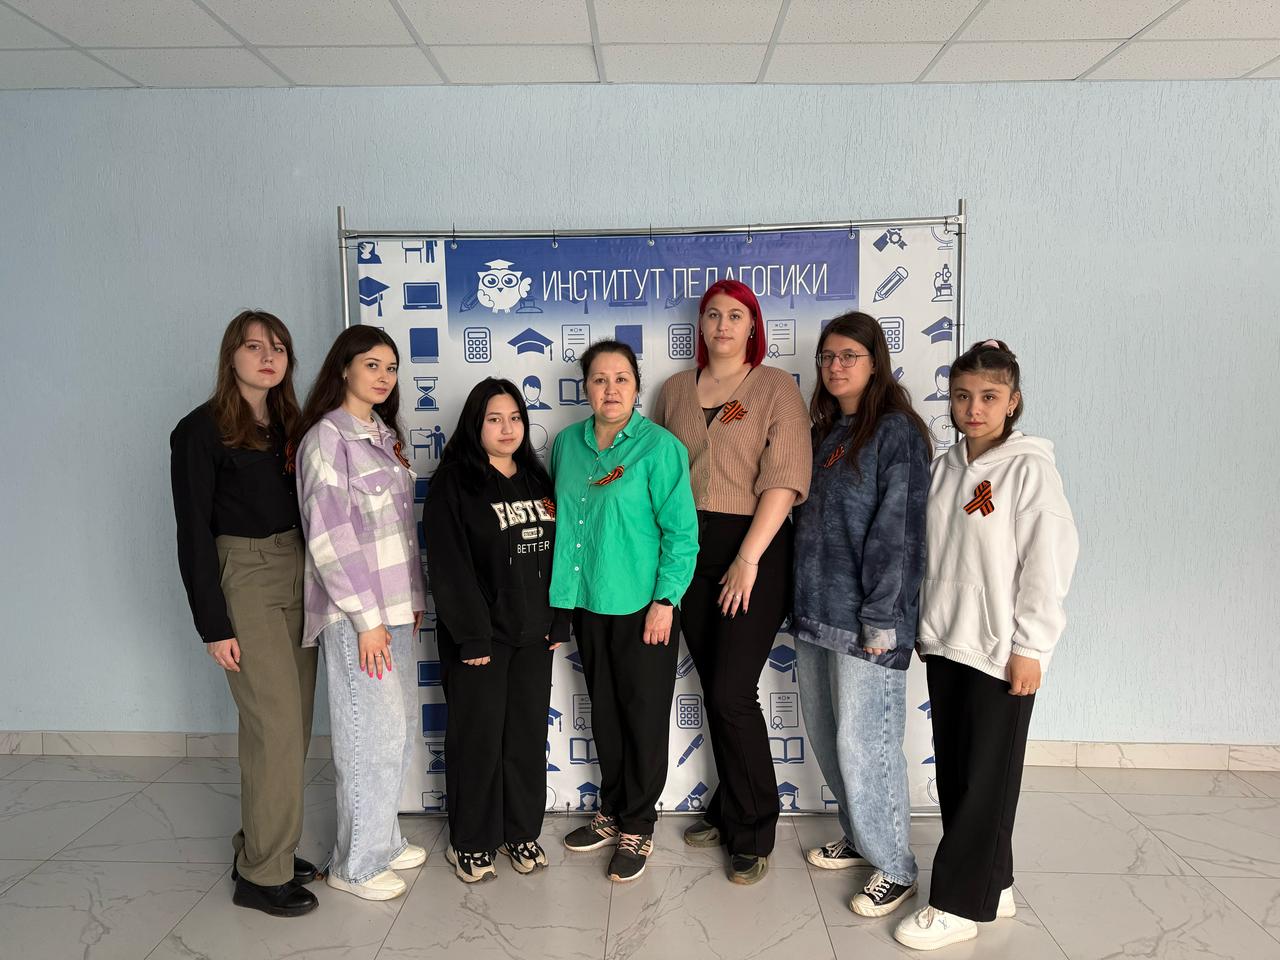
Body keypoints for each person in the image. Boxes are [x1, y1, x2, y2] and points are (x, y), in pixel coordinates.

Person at [894, 340, 1078, 951]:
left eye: (989, 397)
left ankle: (956, 905)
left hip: (1001, 649)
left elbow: (1047, 565)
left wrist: (1033, 647)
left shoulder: (1030, 471)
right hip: (948, 641)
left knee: (985, 781)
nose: (974, 409)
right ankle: (993, 884)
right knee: (959, 774)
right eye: (963, 396)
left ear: (1013, 401)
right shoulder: (945, 467)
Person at [649, 279, 811, 884]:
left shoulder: (775, 387)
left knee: (730, 690)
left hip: (754, 547)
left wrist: (748, 558)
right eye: (712, 314)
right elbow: (659, 473)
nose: (722, 325)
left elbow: (785, 477)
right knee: (716, 684)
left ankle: (754, 830)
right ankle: (728, 805)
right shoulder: (674, 391)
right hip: (688, 549)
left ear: (752, 326)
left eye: (735, 315)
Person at [169, 310, 319, 918]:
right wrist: (214, 625)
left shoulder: (292, 426)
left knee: (292, 725)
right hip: (246, 575)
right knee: (274, 725)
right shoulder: (199, 430)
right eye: (254, 346)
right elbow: (193, 533)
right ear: (230, 354)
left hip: (298, 568)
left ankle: (263, 845)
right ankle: (261, 876)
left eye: (278, 347)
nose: (268, 356)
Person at [792, 312, 932, 917]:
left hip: (868, 620)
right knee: (830, 736)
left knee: (867, 743)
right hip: (815, 612)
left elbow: (899, 533)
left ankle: (895, 865)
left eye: (849, 355)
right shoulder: (827, 432)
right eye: (827, 357)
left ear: (876, 363)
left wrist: (881, 619)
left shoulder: (896, 432)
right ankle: (860, 835)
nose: (835, 366)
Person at [551, 340, 698, 883]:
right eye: (599, 379)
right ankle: (611, 810)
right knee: (606, 713)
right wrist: (560, 605)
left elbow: (681, 534)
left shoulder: (659, 448)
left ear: (637, 387)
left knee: (642, 715)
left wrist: (665, 602)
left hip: (644, 606)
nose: (610, 389)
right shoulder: (566, 444)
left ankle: (638, 824)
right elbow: (565, 524)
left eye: (621, 379)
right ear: (585, 387)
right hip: (588, 602)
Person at [293, 326, 427, 902]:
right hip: (357, 617)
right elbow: (330, 537)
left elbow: (398, 532)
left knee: (395, 731)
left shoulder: (384, 435)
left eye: (391, 367)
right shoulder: (327, 438)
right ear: (343, 368)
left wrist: (412, 600)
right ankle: (355, 865)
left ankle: (383, 840)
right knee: (367, 734)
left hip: (393, 610)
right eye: (372, 364)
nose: (384, 376)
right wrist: (366, 619)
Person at [423, 378, 566, 883]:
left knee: (524, 738)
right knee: (478, 740)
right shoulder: (454, 483)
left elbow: (561, 553)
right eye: (494, 419)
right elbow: (449, 566)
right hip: (480, 639)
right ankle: (470, 840)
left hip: (535, 635)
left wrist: (559, 618)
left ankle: (520, 831)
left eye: (515, 418)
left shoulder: (537, 479)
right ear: (475, 424)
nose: (507, 428)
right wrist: (472, 636)